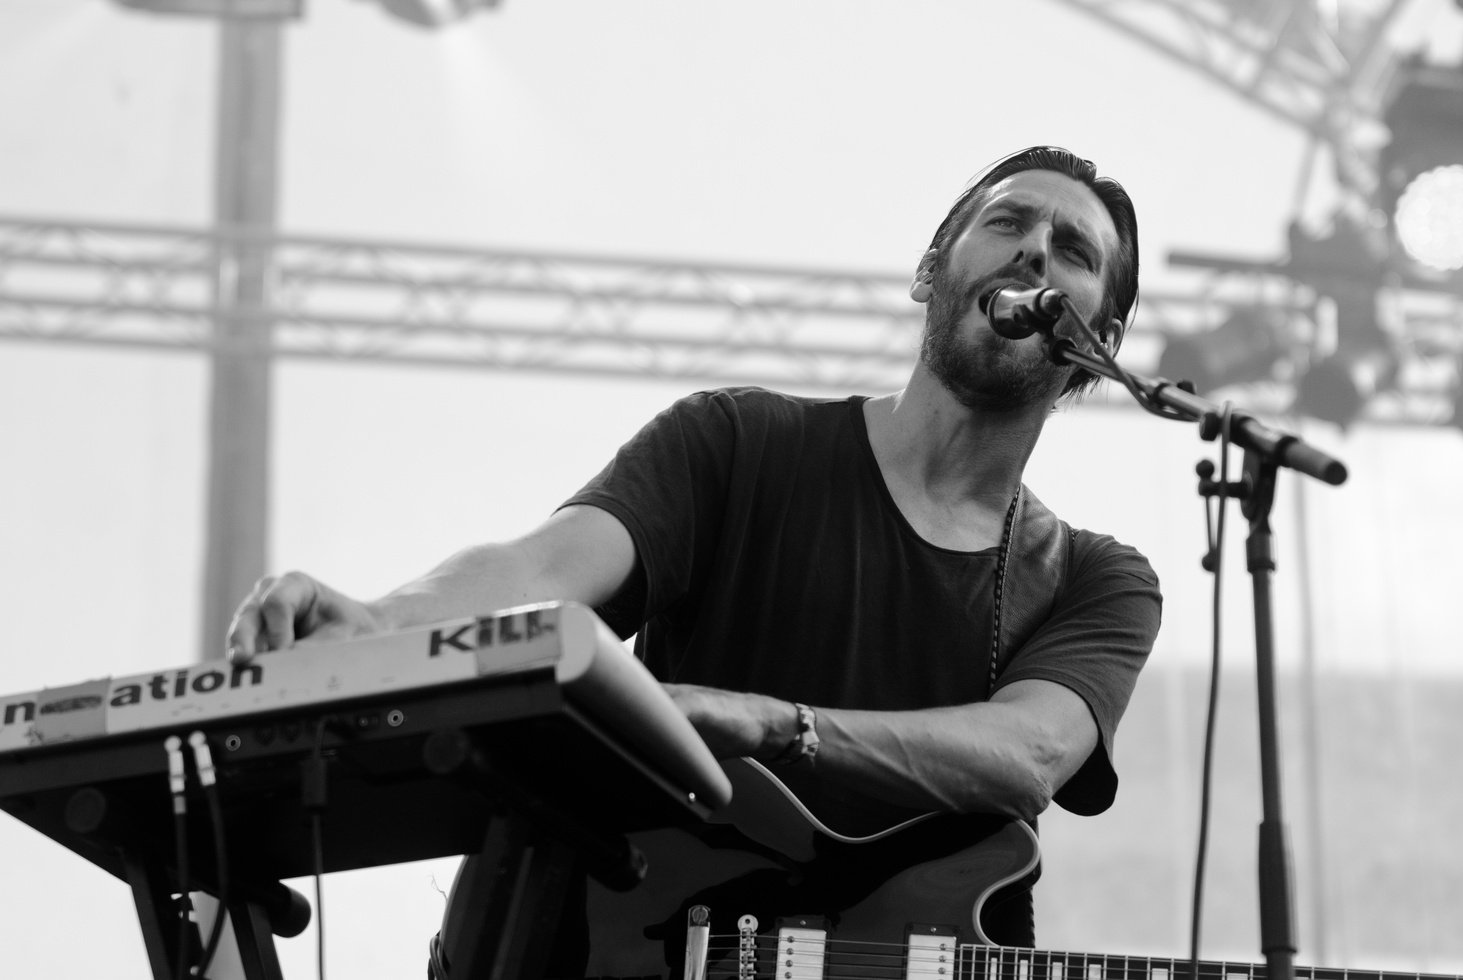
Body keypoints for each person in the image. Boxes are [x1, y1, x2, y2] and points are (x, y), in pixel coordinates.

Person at [227, 145, 1162, 970]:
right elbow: (543, 573)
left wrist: (772, 723)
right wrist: (382, 627)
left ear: (1100, 346)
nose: (1035, 249)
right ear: (930, 271)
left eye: (1072, 249)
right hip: (612, 944)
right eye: (1007, 222)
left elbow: (1027, 753)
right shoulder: (738, 442)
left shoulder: (1095, 578)